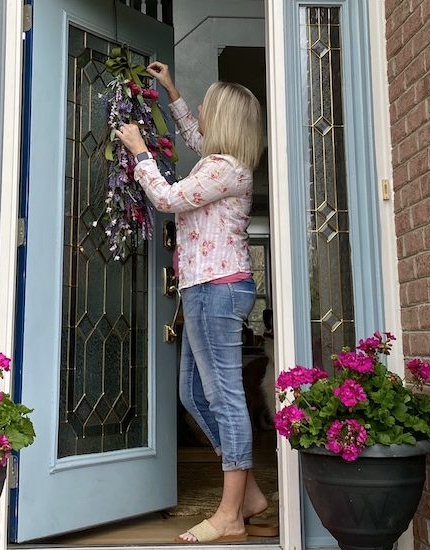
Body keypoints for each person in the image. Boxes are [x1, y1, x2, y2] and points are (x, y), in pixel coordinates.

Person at [115, 62, 270, 544]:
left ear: (222, 117)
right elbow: (195, 137)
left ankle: (229, 516)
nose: (198, 109)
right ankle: (251, 497)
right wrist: (172, 91)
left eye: (206, 104)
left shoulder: (224, 170)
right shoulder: (220, 160)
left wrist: (140, 153)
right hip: (206, 290)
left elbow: (167, 198)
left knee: (224, 400)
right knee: (194, 396)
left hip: (216, 290)